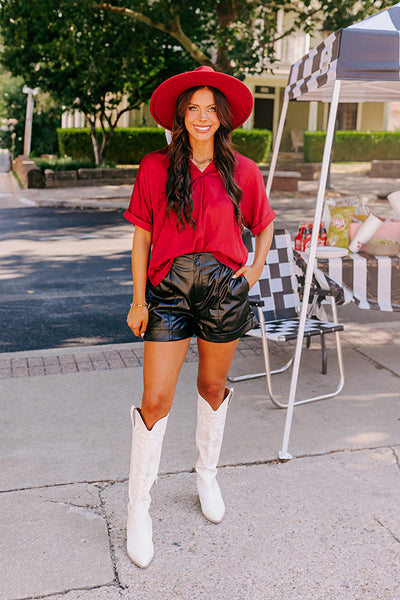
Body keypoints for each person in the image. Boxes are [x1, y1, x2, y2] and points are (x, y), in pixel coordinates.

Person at [124, 66, 275, 569]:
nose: (203, 117)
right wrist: (139, 300)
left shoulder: (245, 171)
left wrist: (250, 274)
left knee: (212, 388)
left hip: (222, 291)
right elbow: (142, 236)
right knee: (155, 399)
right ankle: (138, 508)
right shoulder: (155, 167)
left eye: (212, 109)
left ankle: (206, 474)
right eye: (194, 108)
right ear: (181, 116)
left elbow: (265, 225)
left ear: (223, 118)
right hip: (166, 293)